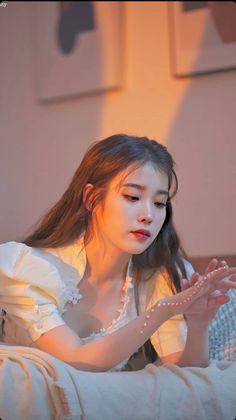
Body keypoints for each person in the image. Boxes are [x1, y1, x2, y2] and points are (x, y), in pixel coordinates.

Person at [0, 133, 236, 373]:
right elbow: (73, 360)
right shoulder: (27, 267)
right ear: (91, 198)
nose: (148, 215)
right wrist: (164, 310)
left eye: (159, 203)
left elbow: (184, 379)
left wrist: (199, 325)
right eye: (132, 197)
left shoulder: (158, 277)